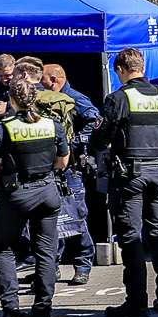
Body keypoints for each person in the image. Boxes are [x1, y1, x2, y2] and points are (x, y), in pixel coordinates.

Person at [92, 47, 158, 317]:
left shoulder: (119, 98)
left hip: (130, 175)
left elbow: (100, 136)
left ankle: (136, 303)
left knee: (130, 237)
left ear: (120, 70)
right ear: (142, 67)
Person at [0, 79, 69, 317]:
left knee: (3, 248)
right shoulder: (53, 125)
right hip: (48, 192)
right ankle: (42, 310)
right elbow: (63, 163)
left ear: (11, 100)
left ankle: (10, 310)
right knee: (45, 251)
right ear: (36, 99)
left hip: (16, 193)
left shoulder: (1, 128)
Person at [37, 63, 101, 284]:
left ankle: (83, 265)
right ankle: (51, 267)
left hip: (71, 168)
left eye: (42, 79)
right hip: (50, 166)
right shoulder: (44, 100)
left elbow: (97, 119)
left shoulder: (74, 98)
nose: (38, 83)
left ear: (53, 79)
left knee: (77, 215)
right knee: (51, 219)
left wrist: (76, 141)